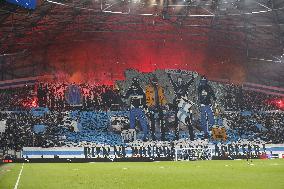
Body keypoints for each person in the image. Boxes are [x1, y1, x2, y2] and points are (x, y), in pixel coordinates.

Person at [168, 73, 195, 140]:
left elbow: (189, 83)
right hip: (178, 106)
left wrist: (193, 78)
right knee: (177, 121)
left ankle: (192, 136)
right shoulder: (176, 87)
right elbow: (171, 82)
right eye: (178, 81)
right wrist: (169, 76)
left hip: (184, 106)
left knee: (188, 121)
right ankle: (177, 136)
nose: (179, 82)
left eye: (180, 81)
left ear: (182, 81)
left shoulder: (184, 86)